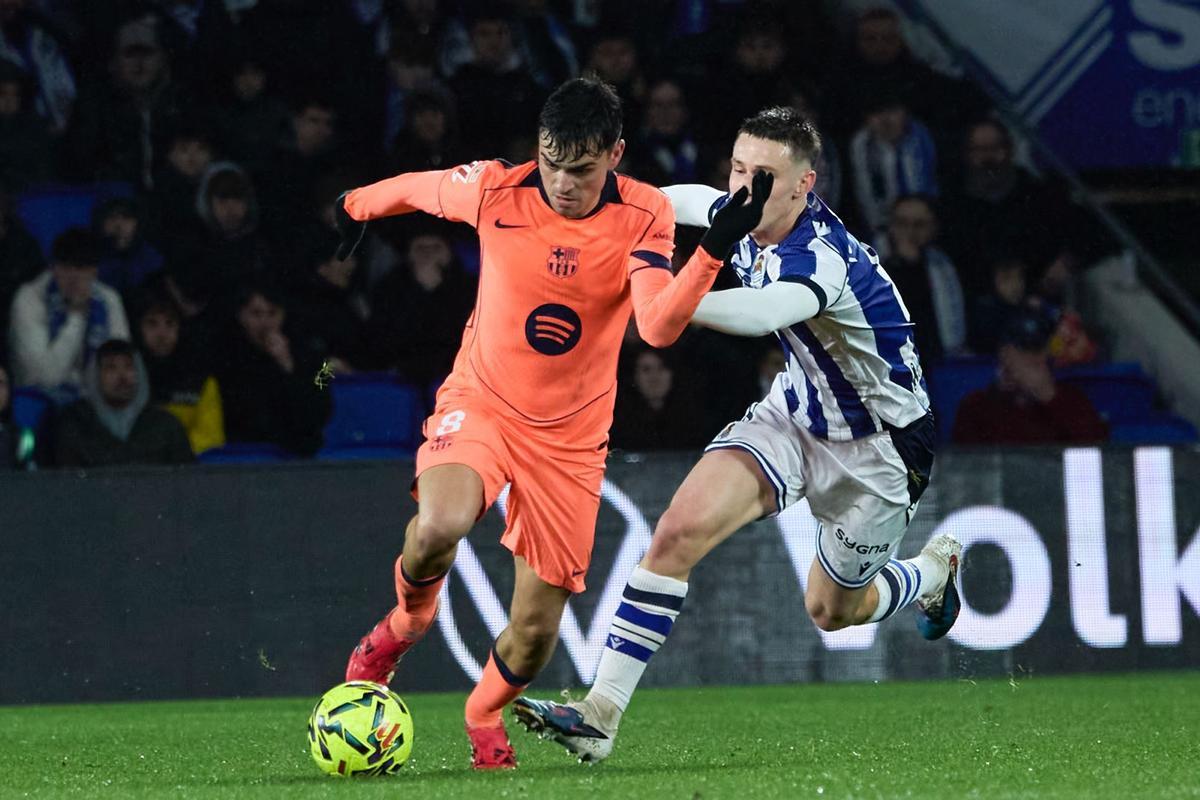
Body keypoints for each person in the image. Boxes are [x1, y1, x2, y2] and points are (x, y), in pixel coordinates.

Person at [333, 76, 770, 769]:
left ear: (616, 154)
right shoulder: (497, 189)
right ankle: (402, 625)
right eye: (552, 162)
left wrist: (710, 251)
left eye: (582, 168)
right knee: (440, 527)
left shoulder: (645, 213)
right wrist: (354, 206)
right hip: (482, 400)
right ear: (537, 148)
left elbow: (655, 326)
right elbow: (421, 187)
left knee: (535, 636)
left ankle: (481, 711)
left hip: (569, 440)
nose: (563, 182)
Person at [512, 106, 961, 763]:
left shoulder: (824, 256)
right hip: (795, 415)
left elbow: (764, 312)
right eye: (738, 169)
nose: (745, 187)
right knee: (675, 534)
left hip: (881, 449)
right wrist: (609, 205)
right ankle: (600, 715)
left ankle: (929, 573)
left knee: (832, 610)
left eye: (765, 176)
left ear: (805, 185)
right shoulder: (746, 210)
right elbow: (690, 201)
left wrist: (665, 301)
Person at [952, 308, 1108, 445]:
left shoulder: (1072, 401)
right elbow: (967, 469)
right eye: (1025, 350)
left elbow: (1098, 455)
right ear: (1004, 354)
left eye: (1040, 349)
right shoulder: (976, 407)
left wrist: (1050, 397)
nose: (1037, 360)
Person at [8, 228, 129, 403]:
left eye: (81, 268)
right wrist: (76, 317)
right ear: (53, 268)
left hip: (97, 406)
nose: (73, 276)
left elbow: (119, 366)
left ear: (94, 271)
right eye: (65, 267)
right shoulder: (29, 298)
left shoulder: (109, 300)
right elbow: (43, 378)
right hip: (41, 404)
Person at [53, 338, 193, 467]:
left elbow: (189, 483)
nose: (122, 376)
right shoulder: (75, 425)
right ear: (95, 376)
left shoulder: (166, 427)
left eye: (129, 366)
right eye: (111, 367)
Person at [135, 290, 223, 455]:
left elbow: (210, 439)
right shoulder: (125, 376)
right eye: (152, 324)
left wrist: (174, 457)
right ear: (139, 328)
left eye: (170, 324)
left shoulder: (201, 381)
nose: (162, 334)